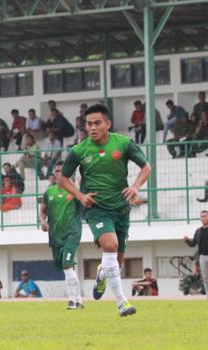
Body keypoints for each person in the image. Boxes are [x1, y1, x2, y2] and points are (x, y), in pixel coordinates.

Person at [59, 104, 151, 317]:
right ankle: (121, 302)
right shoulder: (79, 150)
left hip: (121, 209)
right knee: (110, 245)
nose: (92, 127)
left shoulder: (124, 144)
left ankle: (101, 274)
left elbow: (146, 167)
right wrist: (81, 197)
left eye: (97, 123)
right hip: (96, 209)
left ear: (107, 124)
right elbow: (63, 179)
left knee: (115, 265)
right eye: (89, 124)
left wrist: (135, 186)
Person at [40, 161, 84, 310]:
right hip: (55, 236)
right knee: (67, 268)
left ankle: (71, 300)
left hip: (72, 233)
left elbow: (83, 205)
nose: (59, 173)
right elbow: (43, 211)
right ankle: (79, 300)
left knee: (67, 265)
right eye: (57, 171)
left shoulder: (74, 191)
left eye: (62, 171)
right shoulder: (49, 192)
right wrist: (43, 222)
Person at [183, 210, 208, 300]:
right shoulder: (198, 231)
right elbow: (193, 244)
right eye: (202, 217)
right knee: (206, 278)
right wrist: (187, 240)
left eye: (205, 216)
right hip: (202, 257)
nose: (203, 218)